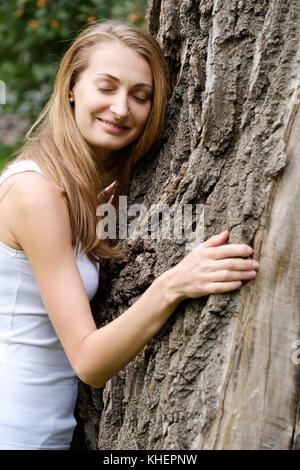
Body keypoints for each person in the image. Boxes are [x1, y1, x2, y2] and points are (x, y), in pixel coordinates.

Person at [0, 20, 259, 450]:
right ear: (72, 87)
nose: (121, 108)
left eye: (140, 96)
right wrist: (174, 283)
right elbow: (89, 361)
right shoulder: (35, 193)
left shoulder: (75, 190)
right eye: (106, 87)